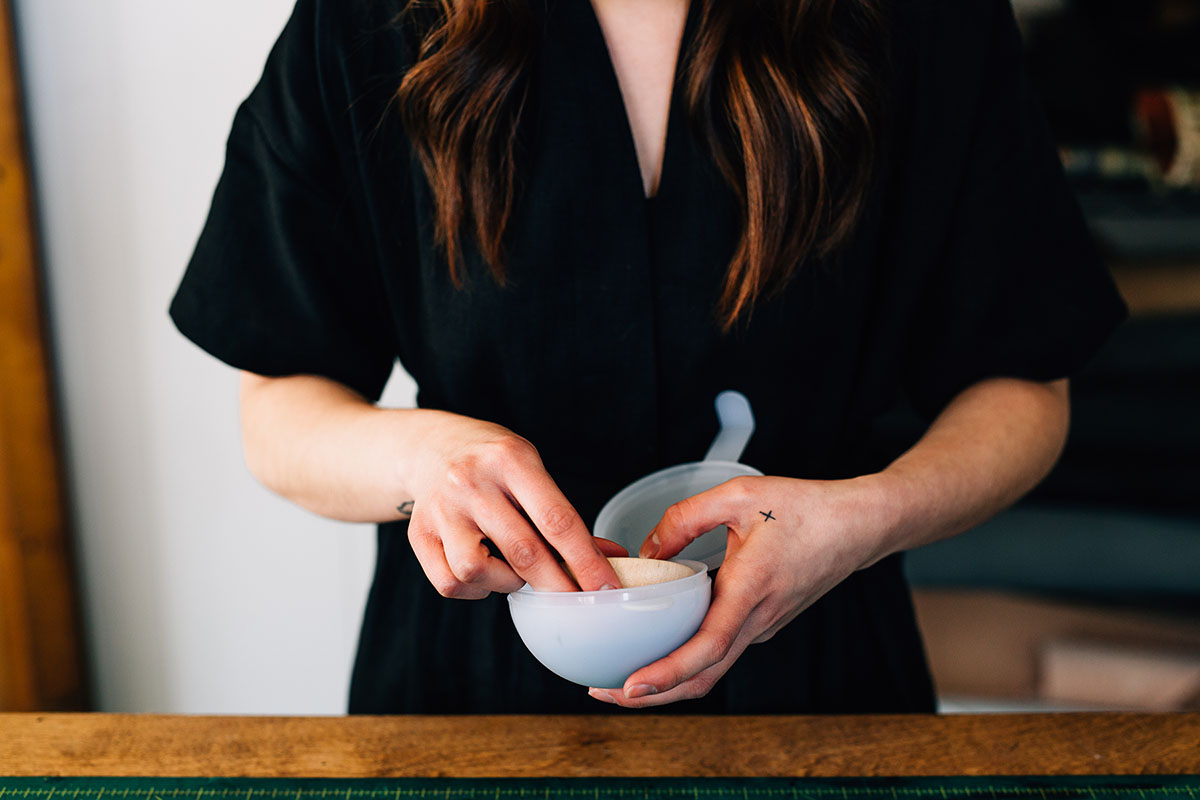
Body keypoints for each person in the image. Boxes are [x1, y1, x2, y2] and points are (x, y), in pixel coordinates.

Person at [170, 0, 1127, 713]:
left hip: (817, 682)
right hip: (467, 700)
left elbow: (1024, 386)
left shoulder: (923, 21)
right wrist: (420, 463)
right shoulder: (368, 22)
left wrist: (870, 514)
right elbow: (281, 407)